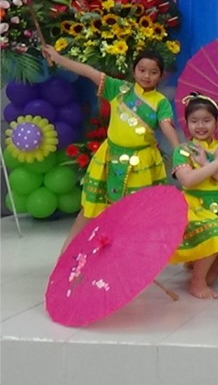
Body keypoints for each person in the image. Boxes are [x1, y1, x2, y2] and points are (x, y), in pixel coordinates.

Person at [42, 44, 181, 254]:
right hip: (109, 160)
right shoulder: (119, 89)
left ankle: (127, 260)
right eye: (142, 70)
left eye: (153, 72)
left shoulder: (160, 103)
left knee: (135, 218)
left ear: (161, 76)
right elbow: (88, 72)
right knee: (89, 211)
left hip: (141, 166)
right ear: (134, 70)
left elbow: (166, 125)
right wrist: (58, 58)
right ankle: (66, 257)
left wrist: (178, 150)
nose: (147, 76)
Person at [169, 93, 218, 299]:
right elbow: (188, 180)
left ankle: (197, 263)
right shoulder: (182, 151)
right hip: (193, 208)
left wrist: (209, 165)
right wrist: (214, 164)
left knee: (212, 278)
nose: (200, 126)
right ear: (187, 123)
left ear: (216, 121)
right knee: (215, 229)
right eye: (194, 121)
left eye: (206, 120)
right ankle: (197, 282)